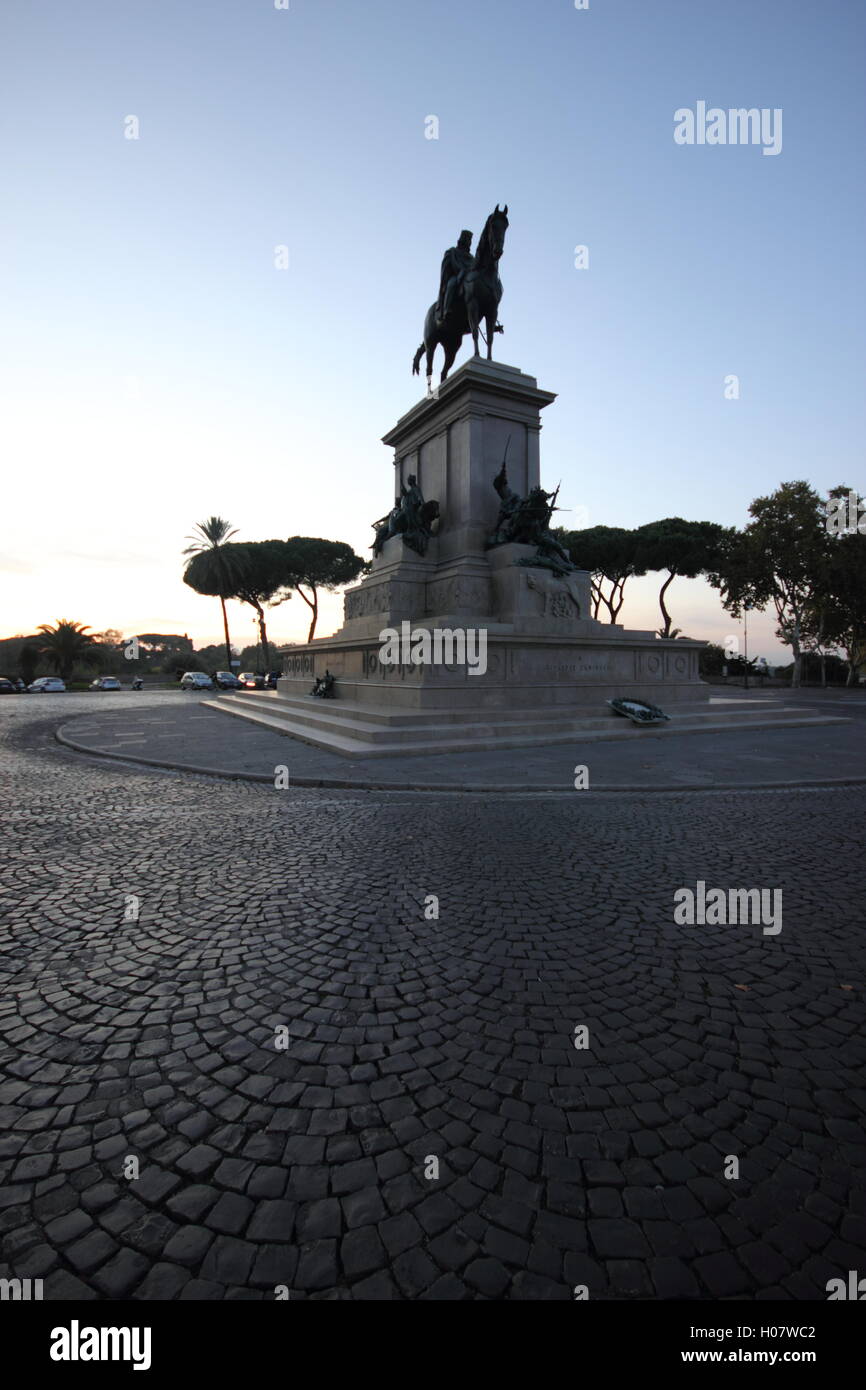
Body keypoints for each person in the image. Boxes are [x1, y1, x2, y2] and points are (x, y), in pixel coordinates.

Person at [436, 230, 474, 326]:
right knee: (451, 284)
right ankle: (446, 310)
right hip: (456, 276)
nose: (467, 242)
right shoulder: (452, 252)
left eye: (469, 240)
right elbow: (449, 265)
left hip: (468, 279)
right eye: (466, 239)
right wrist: (460, 271)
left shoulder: (471, 258)